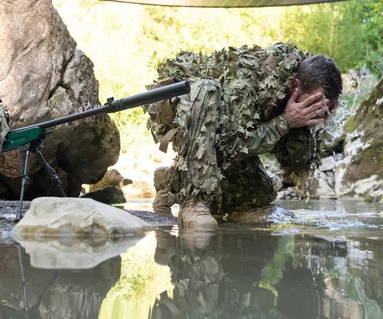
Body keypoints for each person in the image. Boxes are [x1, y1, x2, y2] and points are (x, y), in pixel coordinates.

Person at [146, 42, 342, 227]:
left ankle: (171, 181)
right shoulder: (248, 81)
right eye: (314, 105)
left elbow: (295, 164)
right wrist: (285, 122)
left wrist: (314, 126)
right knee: (206, 89)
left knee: (257, 197)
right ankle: (193, 201)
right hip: (182, 107)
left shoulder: (300, 93)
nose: (317, 111)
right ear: (296, 86)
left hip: (220, 135)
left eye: (325, 108)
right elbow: (227, 146)